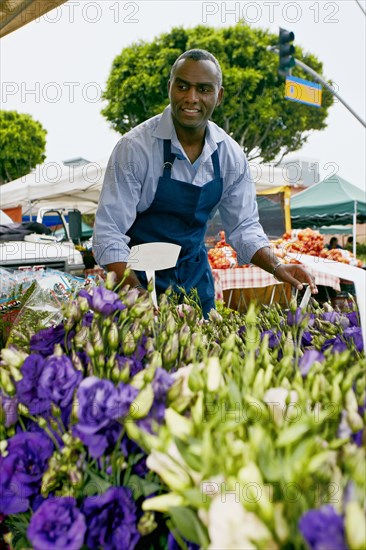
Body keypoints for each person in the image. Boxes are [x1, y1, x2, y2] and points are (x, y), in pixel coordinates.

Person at [93, 49, 317, 317]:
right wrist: (136, 293)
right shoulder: (135, 148)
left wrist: (278, 266)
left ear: (218, 96)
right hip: (136, 280)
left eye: (204, 89)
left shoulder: (230, 155)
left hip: (195, 282)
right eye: (183, 86)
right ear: (170, 87)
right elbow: (108, 234)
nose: (191, 98)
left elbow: (244, 227)